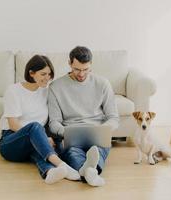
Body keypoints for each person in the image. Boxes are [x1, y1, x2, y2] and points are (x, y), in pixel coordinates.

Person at [0, 55, 80, 184]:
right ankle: (62, 165)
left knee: (47, 147)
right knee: (35, 127)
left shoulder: (47, 91)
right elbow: (13, 125)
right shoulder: (13, 90)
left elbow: (64, 91)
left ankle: (49, 173)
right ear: (31, 73)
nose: (47, 78)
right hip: (11, 142)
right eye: (43, 74)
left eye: (49, 74)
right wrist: (41, 136)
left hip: (34, 142)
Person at [48, 46, 119, 187]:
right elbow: (54, 122)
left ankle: (87, 171)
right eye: (77, 69)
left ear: (91, 65)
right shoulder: (56, 87)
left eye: (86, 69)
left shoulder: (102, 83)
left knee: (99, 149)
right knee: (73, 152)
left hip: (97, 131)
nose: (81, 74)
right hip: (71, 133)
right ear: (69, 63)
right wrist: (66, 133)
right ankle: (91, 172)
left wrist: (103, 130)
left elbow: (113, 117)